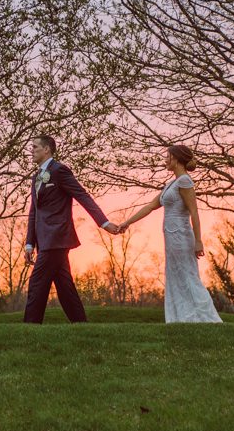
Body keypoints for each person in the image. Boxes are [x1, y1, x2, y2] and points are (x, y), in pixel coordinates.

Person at [117, 144, 223, 323]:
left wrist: (198, 241)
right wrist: (127, 222)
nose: (165, 160)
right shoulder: (171, 184)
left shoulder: (185, 182)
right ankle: (181, 319)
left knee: (188, 275)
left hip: (182, 236)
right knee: (175, 276)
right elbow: (151, 206)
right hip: (171, 237)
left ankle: (208, 319)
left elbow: (194, 212)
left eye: (167, 156)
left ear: (175, 158)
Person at [23, 134, 119, 323]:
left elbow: (82, 195)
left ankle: (30, 327)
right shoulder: (36, 177)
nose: (31, 151)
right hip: (44, 240)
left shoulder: (60, 171)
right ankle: (81, 324)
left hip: (58, 237)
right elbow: (34, 212)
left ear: (47, 149)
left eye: (34, 147)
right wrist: (29, 244)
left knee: (37, 283)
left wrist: (104, 223)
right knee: (64, 286)